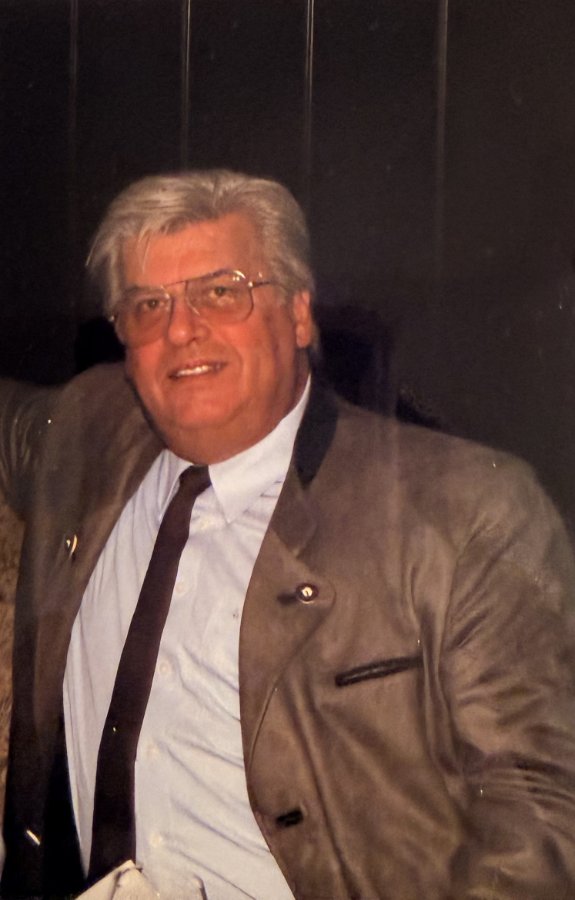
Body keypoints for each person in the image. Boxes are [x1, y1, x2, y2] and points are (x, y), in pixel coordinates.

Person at [1, 169, 575, 900]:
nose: (180, 329)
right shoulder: (88, 431)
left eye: (221, 291)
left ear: (299, 314)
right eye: (147, 304)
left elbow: (543, 813)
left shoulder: (462, 512)